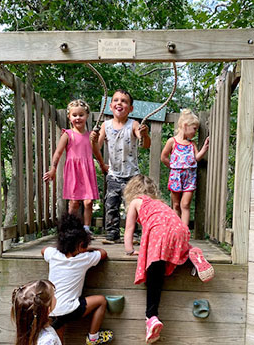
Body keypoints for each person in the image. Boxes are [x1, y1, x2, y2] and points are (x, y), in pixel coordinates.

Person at [124, 175, 214, 344]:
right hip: (179, 228)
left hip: (159, 232)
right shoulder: (161, 205)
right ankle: (191, 255)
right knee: (171, 253)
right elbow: (172, 224)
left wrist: (130, 251)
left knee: (153, 271)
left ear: (131, 191)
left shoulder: (136, 202)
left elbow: (129, 229)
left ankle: (151, 317)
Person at [42, 213, 113, 345]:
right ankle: (93, 337)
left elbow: (43, 250)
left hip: (51, 310)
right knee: (101, 301)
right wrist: (90, 250)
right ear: (80, 246)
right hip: (71, 310)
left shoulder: (53, 254)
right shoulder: (84, 258)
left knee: (59, 341)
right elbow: (103, 253)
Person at [91, 89, 151, 244]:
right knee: (111, 204)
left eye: (124, 101)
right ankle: (112, 234)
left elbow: (144, 145)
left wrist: (144, 135)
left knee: (133, 205)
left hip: (132, 176)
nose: (120, 103)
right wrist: (93, 141)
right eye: (116, 100)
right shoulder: (106, 125)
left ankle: (135, 236)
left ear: (130, 109)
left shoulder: (134, 124)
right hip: (114, 175)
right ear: (110, 106)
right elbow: (95, 148)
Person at [43, 99, 108, 236]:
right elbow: (58, 153)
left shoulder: (91, 136)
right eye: (74, 115)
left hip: (87, 170)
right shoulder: (68, 134)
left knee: (89, 201)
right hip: (73, 171)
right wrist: (53, 168)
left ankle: (86, 228)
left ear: (87, 116)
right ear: (69, 117)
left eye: (81, 115)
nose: (78, 118)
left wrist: (102, 165)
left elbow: (96, 152)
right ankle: (71, 228)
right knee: (74, 202)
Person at [161, 109, 209, 227]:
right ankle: (176, 231)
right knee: (176, 205)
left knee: (185, 204)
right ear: (185, 125)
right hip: (176, 177)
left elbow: (196, 158)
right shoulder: (172, 141)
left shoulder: (192, 144)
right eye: (194, 129)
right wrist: (173, 168)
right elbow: (164, 157)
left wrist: (204, 148)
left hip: (190, 178)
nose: (195, 132)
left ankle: (184, 233)